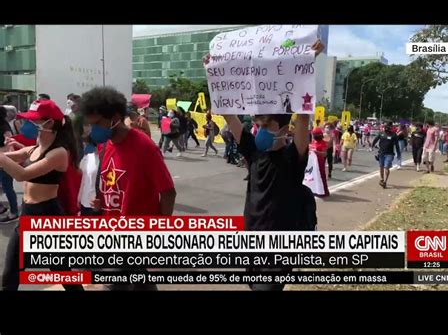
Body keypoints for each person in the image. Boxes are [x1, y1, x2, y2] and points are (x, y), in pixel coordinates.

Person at [203, 44, 321, 290]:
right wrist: (213, 73)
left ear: (283, 130)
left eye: (266, 125)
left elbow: (301, 117)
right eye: (257, 124)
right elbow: (228, 114)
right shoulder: (253, 151)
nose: (259, 130)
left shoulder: (293, 158)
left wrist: (309, 61)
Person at [81, 86, 176, 291]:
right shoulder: (105, 146)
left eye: (97, 123)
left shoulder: (144, 147)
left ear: (115, 117)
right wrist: (101, 201)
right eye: (90, 124)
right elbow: (113, 184)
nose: (93, 129)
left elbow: (168, 192)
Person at [0, 99, 83, 290]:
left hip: (47, 217)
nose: (29, 124)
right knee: (11, 274)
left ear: (50, 123)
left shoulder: (59, 153)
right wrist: (5, 156)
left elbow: (22, 174)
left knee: (63, 273)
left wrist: (2, 157)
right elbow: (17, 157)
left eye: (35, 121)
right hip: (27, 214)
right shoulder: (36, 147)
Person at [77, 127, 100, 216]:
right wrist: (79, 196)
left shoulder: (104, 159)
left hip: (95, 205)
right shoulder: (87, 157)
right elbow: (83, 179)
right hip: (84, 203)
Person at [0, 107, 17, 219]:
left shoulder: (4, 127)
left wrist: (10, 160)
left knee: (7, 187)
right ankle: (1, 208)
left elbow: (10, 144)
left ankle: (14, 211)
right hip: (2, 160)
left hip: (4, 161)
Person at [372, 122, 401, 189]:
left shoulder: (394, 135)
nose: (386, 130)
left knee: (386, 167)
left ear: (390, 129)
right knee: (381, 166)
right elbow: (376, 139)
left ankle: (385, 181)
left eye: (387, 129)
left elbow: (397, 145)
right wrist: (372, 146)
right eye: (385, 128)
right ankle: (381, 179)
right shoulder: (381, 133)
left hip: (390, 154)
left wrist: (398, 154)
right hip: (381, 153)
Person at [306, 127, 329, 197]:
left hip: (320, 162)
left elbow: (325, 154)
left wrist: (317, 152)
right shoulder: (313, 142)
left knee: (321, 176)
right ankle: (316, 190)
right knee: (314, 176)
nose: (315, 136)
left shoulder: (323, 143)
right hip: (313, 163)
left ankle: (324, 191)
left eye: (317, 134)